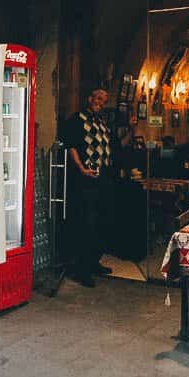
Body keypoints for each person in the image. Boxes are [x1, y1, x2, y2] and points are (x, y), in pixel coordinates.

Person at [59, 89, 122, 287]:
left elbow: (112, 146)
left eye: (104, 100)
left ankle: (93, 262)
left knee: (101, 221)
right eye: (97, 98)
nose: (100, 102)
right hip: (84, 178)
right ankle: (81, 270)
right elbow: (71, 146)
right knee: (86, 222)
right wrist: (81, 168)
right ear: (89, 98)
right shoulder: (77, 119)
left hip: (101, 177)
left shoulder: (101, 122)